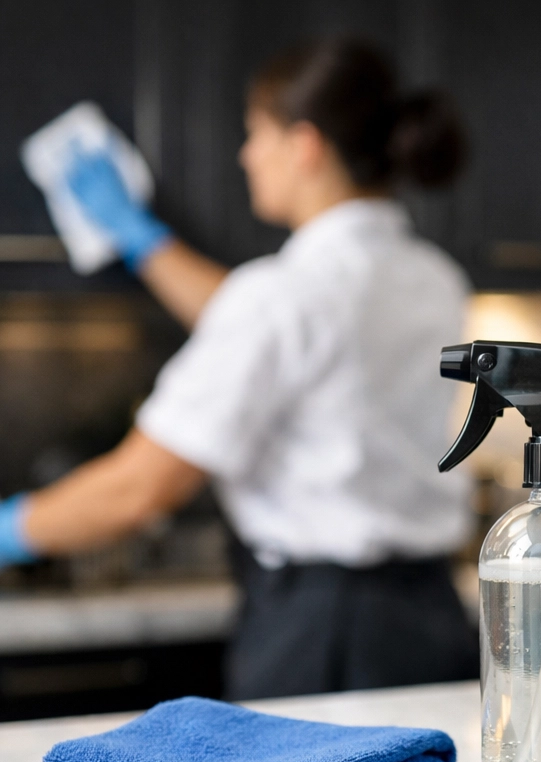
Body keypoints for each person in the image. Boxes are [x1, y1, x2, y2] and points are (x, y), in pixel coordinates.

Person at [0, 38, 480, 697]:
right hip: (432, 614)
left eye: (256, 133)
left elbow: (140, 489)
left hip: (320, 631)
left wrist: (9, 530)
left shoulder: (284, 295)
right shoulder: (433, 278)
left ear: (305, 146)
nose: (245, 155)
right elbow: (273, 329)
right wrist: (141, 240)